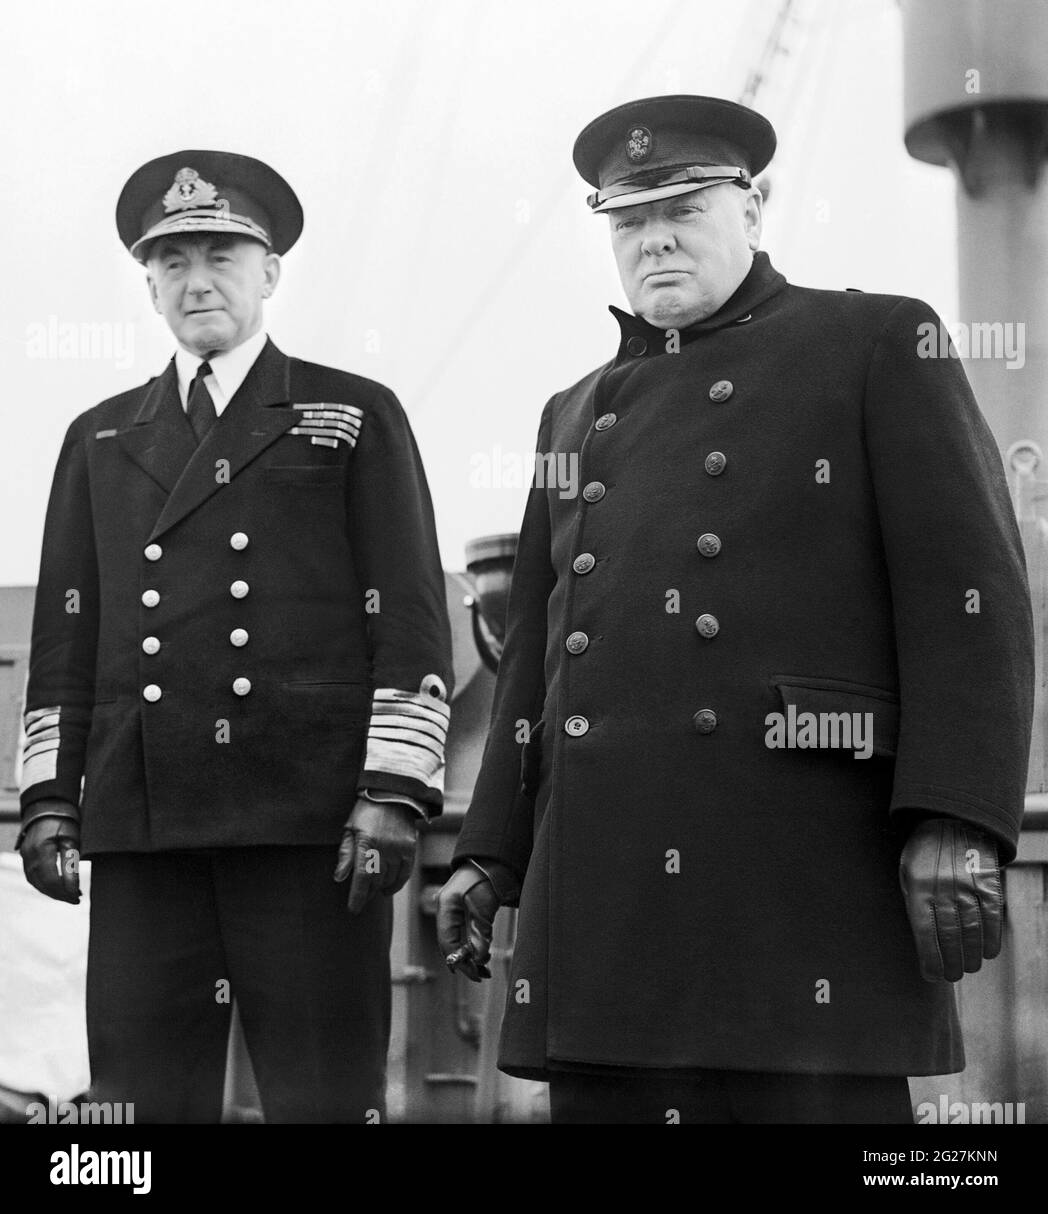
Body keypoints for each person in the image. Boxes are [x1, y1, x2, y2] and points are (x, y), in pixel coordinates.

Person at [438, 95, 1034, 1124]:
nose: (655, 239)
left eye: (683, 208)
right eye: (629, 221)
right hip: (606, 902)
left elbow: (968, 598)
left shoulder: (876, 340)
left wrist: (957, 817)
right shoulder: (570, 412)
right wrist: (490, 848)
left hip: (797, 888)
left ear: (751, 207)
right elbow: (534, 653)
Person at [18, 150, 453, 1123]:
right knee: (135, 1107)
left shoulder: (347, 413)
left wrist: (391, 792)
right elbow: (66, 631)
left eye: (220, 254)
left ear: (270, 271)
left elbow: (411, 617)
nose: (197, 280)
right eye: (173, 263)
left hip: (304, 819)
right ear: (149, 283)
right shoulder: (101, 435)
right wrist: (50, 797)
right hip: (145, 820)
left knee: (322, 1099)